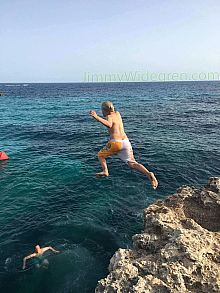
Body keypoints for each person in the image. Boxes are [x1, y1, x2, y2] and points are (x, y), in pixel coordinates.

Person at [89, 101, 158, 189]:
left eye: (102, 110)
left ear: (105, 110)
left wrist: (96, 117)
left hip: (115, 142)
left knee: (100, 155)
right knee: (132, 163)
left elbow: (109, 124)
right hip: (125, 142)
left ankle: (105, 171)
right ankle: (149, 174)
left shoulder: (108, 116)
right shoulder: (118, 114)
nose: (101, 112)